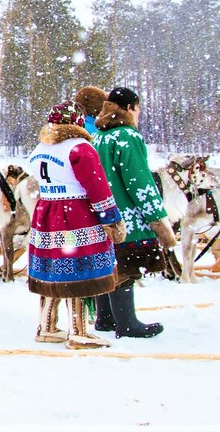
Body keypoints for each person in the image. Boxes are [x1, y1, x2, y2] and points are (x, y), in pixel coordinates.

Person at [25, 100, 125, 349]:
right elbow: (97, 187)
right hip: (75, 215)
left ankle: (46, 325)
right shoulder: (80, 148)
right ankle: (78, 332)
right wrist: (112, 218)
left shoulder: (41, 148)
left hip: (46, 213)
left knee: (51, 269)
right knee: (77, 269)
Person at [91, 86, 176, 338]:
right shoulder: (127, 137)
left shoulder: (98, 137)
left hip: (101, 213)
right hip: (125, 215)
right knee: (126, 268)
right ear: (129, 108)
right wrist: (157, 219)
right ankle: (127, 324)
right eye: (137, 108)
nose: (139, 113)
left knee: (108, 264)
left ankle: (105, 318)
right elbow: (140, 182)